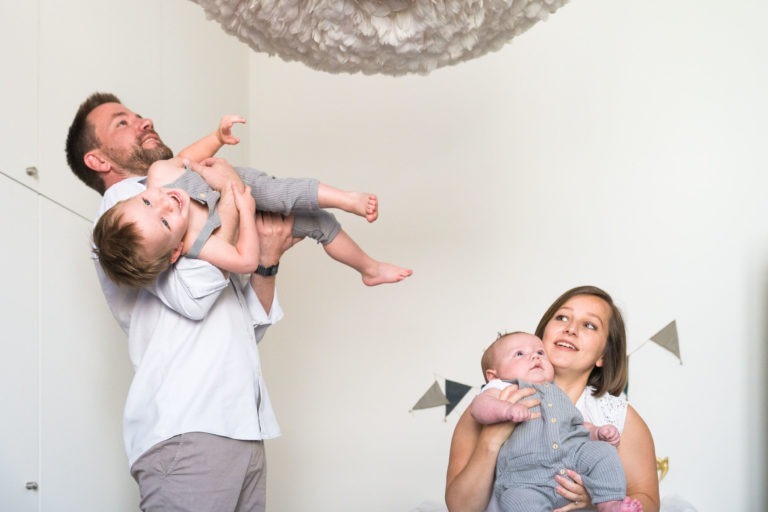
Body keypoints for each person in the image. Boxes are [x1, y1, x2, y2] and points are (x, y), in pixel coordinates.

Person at [65, 91, 300, 511]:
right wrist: (233, 198)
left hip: (239, 426)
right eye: (122, 122)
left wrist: (266, 262)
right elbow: (195, 295)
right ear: (99, 160)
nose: (143, 121)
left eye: (138, 114)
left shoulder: (185, 207)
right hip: (190, 429)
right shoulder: (125, 212)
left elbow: (247, 326)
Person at [91, 114, 412, 287]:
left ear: (139, 191)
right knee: (319, 224)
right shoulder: (197, 245)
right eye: (164, 221)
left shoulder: (159, 173)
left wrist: (216, 139)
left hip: (242, 183)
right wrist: (244, 212)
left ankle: (345, 198)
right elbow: (245, 261)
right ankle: (369, 269)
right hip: (245, 211)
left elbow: (188, 157)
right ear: (175, 251)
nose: (166, 204)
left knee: (282, 194)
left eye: (147, 202)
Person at [446, 285, 660, 512]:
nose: (570, 329)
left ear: (603, 356)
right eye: (562, 317)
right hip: (522, 492)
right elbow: (460, 508)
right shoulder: (494, 400)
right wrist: (490, 442)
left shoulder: (618, 415)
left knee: (603, 452)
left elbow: (648, 502)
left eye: (589, 325)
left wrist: (596, 497)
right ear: (542, 335)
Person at [470, 331, 642, 512]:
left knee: (603, 451)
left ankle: (611, 503)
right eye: (519, 354)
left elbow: (575, 426)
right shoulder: (502, 386)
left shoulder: (556, 392)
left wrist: (597, 432)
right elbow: (479, 407)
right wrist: (506, 410)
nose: (534, 356)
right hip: (526, 479)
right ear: (493, 375)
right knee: (518, 501)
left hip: (571, 461)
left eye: (540, 353)